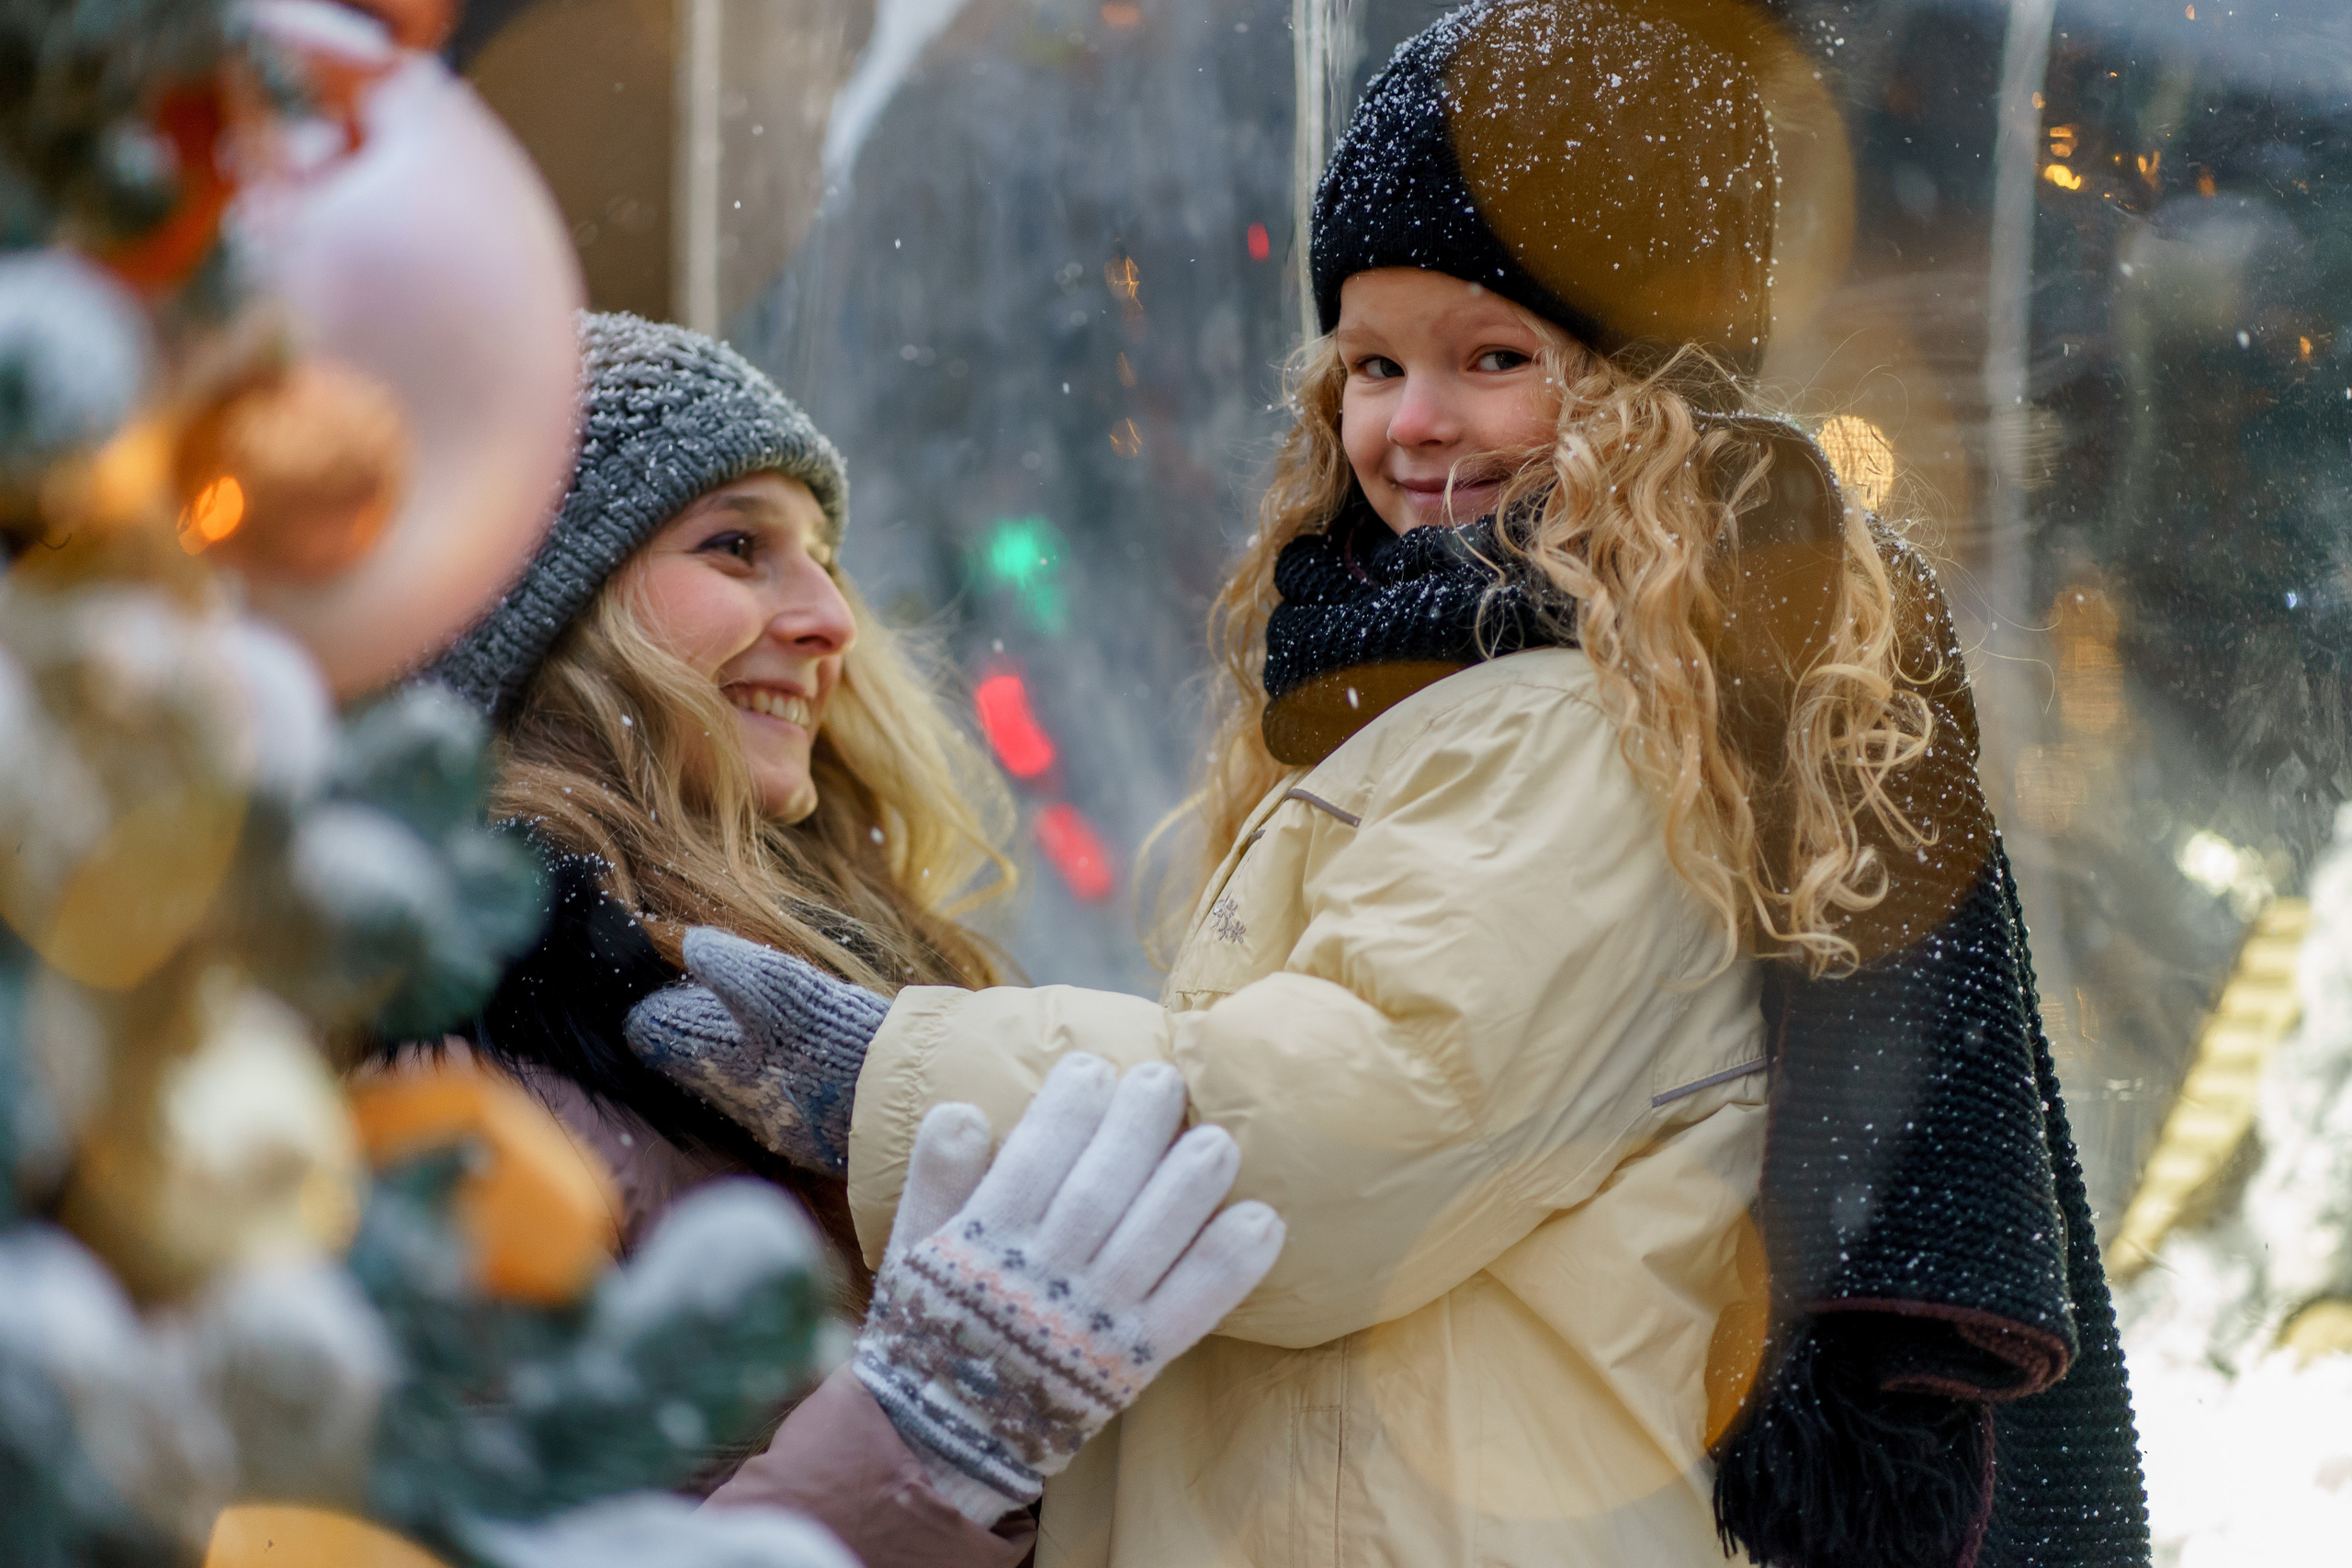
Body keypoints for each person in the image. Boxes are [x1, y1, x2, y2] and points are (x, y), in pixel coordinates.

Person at [627, 5, 2152, 1566]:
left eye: (1494, 357)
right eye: (1372, 363)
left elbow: (1352, 1126)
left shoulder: (1574, 724)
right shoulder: (1484, 693)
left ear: (1648, 387)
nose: (1414, 424)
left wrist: (891, 1075)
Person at [417, 311, 1283, 1565]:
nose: (831, 616)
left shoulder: (827, 989)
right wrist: (923, 1436)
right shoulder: (460, 1084)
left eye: (823, 559)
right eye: (737, 546)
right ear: (536, 602)